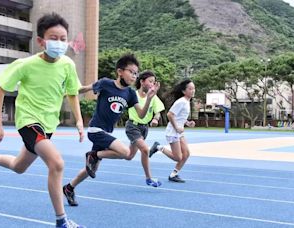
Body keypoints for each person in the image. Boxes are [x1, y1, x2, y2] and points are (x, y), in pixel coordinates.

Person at [0, 13, 85, 228]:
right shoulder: (25, 64)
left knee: (19, 166)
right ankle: (61, 221)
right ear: (41, 41)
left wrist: (79, 121)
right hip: (28, 121)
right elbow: (0, 90)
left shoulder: (67, 64)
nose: (59, 43)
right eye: (54, 38)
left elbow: (72, 93)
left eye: (63, 38)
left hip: (49, 124)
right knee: (57, 163)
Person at [63, 54, 159, 206]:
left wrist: (149, 99)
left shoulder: (130, 93)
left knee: (91, 169)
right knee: (126, 152)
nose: (134, 76)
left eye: (136, 73)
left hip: (106, 132)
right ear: (120, 71)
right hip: (96, 129)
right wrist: (64, 91)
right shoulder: (106, 83)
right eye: (131, 72)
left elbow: (141, 114)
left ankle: (69, 187)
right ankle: (93, 155)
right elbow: (83, 89)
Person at [148, 79, 196, 183]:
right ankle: (158, 147)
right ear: (184, 91)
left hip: (179, 132)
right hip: (173, 132)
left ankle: (174, 174)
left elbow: (180, 117)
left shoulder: (187, 101)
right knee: (178, 157)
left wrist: (187, 123)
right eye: (190, 89)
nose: (193, 91)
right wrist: (177, 128)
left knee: (186, 154)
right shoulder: (181, 102)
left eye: (194, 88)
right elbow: (170, 115)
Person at [125, 70, 165, 187]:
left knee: (129, 156)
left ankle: (98, 155)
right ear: (142, 82)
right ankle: (149, 178)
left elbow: (158, 111)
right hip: (133, 126)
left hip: (144, 128)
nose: (153, 84)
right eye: (150, 81)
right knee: (145, 149)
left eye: (154, 82)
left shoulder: (153, 96)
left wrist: (155, 119)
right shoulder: (133, 95)